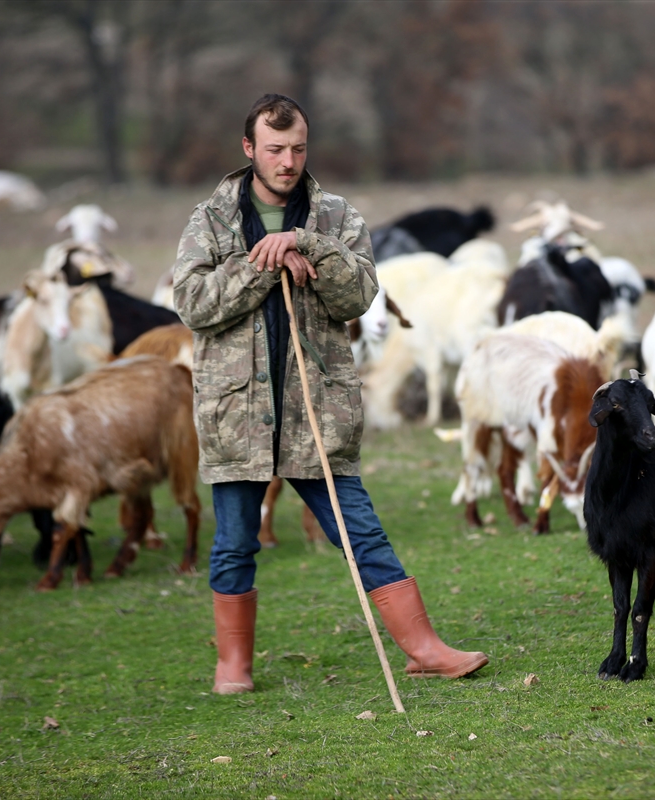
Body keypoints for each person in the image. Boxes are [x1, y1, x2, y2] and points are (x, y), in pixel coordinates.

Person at [173, 94, 487, 694]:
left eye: (297, 149)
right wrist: (264, 264)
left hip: (316, 411)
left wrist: (309, 245)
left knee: (360, 532)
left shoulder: (336, 216)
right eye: (274, 149)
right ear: (249, 148)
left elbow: (358, 297)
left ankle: (424, 649)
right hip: (236, 412)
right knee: (235, 543)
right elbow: (193, 305)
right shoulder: (210, 219)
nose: (287, 162)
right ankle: (233, 666)